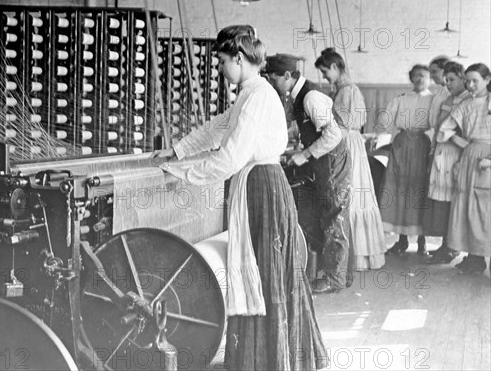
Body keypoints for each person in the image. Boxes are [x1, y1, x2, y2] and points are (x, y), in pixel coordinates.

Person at [152, 26, 328, 370]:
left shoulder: (259, 96)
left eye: (221, 61)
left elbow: (230, 158)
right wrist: (178, 151)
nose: (220, 69)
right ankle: (262, 356)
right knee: (264, 273)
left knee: (264, 274)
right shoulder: (251, 92)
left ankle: (268, 360)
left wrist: (182, 173)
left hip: (261, 187)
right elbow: (219, 126)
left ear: (238, 58)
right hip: (260, 184)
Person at [264, 53, 353, 294]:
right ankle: (339, 274)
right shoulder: (296, 95)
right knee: (329, 215)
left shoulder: (311, 97)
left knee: (335, 216)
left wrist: (305, 154)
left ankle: (335, 279)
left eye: (273, 79)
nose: (272, 85)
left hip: (333, 163)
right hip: (324, 163)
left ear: (287, 76)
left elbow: (334, 135)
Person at [315, 48, 386, 271]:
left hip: (347, 144)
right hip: (353, 143)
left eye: (326, 72)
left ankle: (353, 256)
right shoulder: (349, 89)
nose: (325, 76)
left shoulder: (346, 91)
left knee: (349, 194)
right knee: (356, 194)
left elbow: (342, 128)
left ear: (336, 67)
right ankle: (361, 255)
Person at [437, 63, 491, 274]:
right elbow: (444, 131)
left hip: (488, 160)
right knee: (469, 209)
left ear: (487, 80)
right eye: (467, 80)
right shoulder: (466, 104)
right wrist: (466, 146)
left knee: (485, 210)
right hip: (470, 158)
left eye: (475, 80)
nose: (469, 85)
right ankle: (475, 258)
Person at [381, 65, 433, 256]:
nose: (420, 79)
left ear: (430, 79)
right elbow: (385, 122)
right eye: (417, 76)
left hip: (422, 144)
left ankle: (422, 242)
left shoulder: (434, 100)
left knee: (420, 190)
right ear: (411, 78)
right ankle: (401, 240)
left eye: (424, 76)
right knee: (399, 190)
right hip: (402, 145)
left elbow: (437, 123)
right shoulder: (401, 98)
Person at [424, 61, 470, 264]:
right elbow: (438, 127)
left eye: (451, 79)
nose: (448, 83)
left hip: (456, 154)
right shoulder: (447, 98)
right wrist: (432, 150)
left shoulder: (468, 101)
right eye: (446, 80)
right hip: (441, 153)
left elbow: (464, 132)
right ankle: (445, 244)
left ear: (463, 78)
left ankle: (453, 247)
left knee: (453, 202)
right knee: (442, 202)